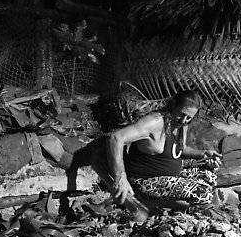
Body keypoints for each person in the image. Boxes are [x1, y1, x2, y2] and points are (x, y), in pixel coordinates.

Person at [88, 90, 222, 211]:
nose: (184, 120)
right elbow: (116, 138)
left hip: (170, 177)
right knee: (202, 193)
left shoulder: (182, 124)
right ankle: (147, 202)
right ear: (173, 105)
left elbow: (180, 150)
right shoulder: (155, 122)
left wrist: (203, 154)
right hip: (145, 182)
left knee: (209, 174)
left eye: (189, 118)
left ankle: (178, 202)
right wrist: (120, 177)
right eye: (182, 114)